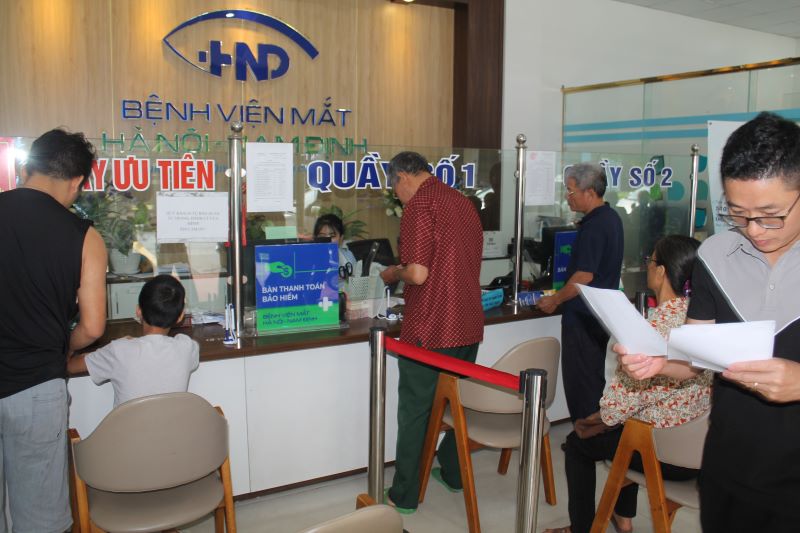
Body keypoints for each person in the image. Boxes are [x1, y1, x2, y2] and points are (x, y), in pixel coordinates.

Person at [617, 112, 800, 532]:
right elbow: (696, 358)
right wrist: (660, 363)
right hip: (728, 468)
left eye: (770, 215)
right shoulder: (716, 255)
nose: (754, 230)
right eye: (737, 212)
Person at [545, 235, 711, 533]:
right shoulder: (704, 323)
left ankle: (581, 528)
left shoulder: (649, 331)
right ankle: (623, 518)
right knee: (632, 425)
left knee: (579, 444)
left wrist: (594, 419)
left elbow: (613, 411)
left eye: (651, 261)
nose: (648, 266)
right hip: (700, 452)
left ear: (661, 271)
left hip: (662, 453)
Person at [0, 128, 107, 533]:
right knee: (40, 517)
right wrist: (64, 347)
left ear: (27, 167)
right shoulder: (85, 237)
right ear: (77, 182)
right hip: (38, 386)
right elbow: (92, 327)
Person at [379, 151, 484, 513]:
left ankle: (404, 495)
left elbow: (418, 273)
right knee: (456, 404)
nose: (397, 196)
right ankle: (453, 474)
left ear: (402, 177)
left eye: (394, 187)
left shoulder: (419, 205)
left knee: (416, 411)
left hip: (431, 327)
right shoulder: (462, 201)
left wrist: (394, 272)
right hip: (468, 321)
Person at [537, 163, 624, 421]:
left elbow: (584, 276)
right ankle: (590, 435)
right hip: (598, 315)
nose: (568, 196)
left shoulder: (596, 225)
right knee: (591, 378)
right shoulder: (610, 217)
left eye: (571, 190)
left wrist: (554, 299)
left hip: (584, 317)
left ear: (590, 192)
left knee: (582, 382)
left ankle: (586, 437)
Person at [68, 274, 200, 407]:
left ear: (138, 311)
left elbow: (70, 366)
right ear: (180, 316)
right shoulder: (187, 347)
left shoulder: (119, 350)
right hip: (173, 421)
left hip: (127, 422)